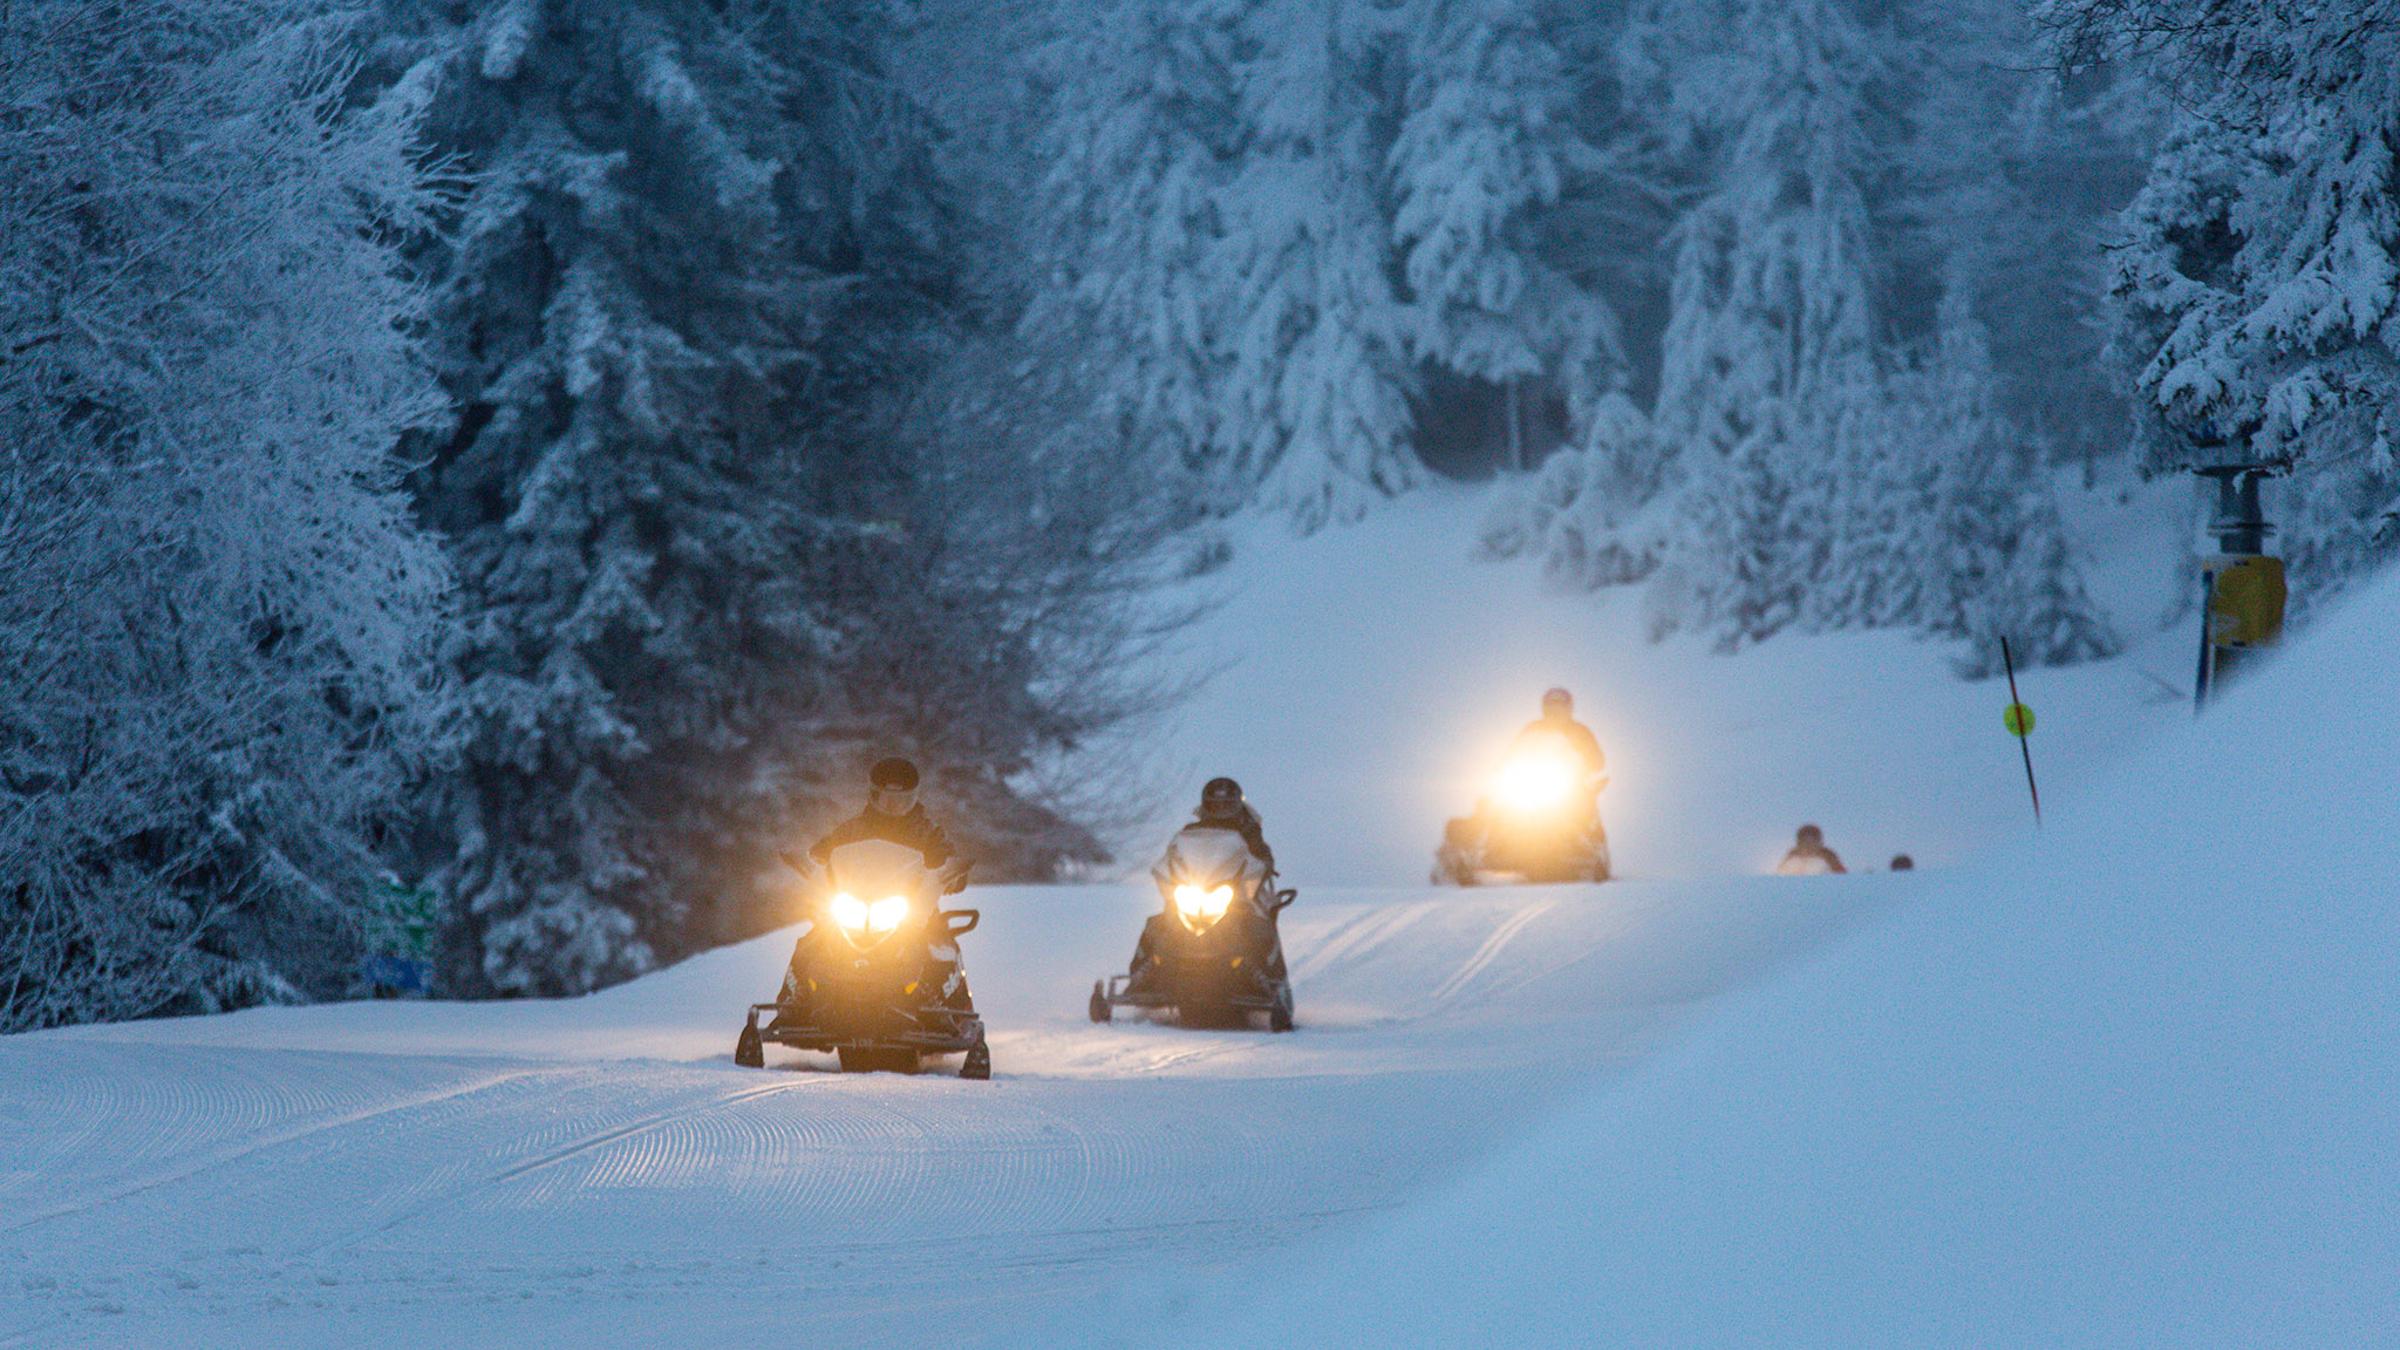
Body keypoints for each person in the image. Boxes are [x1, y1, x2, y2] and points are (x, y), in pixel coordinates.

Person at [804, 756, 957, 873]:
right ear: (873, 795)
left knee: (932, 915)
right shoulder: (851, 830)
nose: (893, 805)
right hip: (853, 902)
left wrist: (950, 871)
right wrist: (815, 860)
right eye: (886, 798)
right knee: (819, 911)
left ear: (914, 797)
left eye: (902, 800)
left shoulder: (928, 833)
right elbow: (824, 849)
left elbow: (948, 858)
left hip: (915, 904)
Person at [1511, 687, 1606, 781]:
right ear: (1545, 707)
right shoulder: (1532, 728)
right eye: (1551, 704)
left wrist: (1589, 765)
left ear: (1568, 707)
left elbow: (1596, 760)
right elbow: (1513, 752)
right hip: (1533, 779)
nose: (1555, 709)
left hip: (1570, 784)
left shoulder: (1580, 731)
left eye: (1560, 705)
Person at [1186, 776, 1274, 872]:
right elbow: (1178, 851)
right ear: (1207, 804)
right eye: (1215, 805)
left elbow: (1261, 853)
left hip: (1238, 880)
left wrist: (1264, 865)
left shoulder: (1248, 829)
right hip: (1197, 879)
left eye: (1226, 805)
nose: (1221, 808)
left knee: (1257, 885)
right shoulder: (1193, 831)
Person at [1776, 824, 1848, 876]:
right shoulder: (1793, 855)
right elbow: (1779, 876)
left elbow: (1842, 877)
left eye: (1812, 841)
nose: (1808, 846)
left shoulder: (1828, 855)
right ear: (1799, 843)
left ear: (1819, 842)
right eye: (1805, 842)